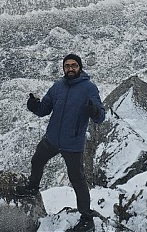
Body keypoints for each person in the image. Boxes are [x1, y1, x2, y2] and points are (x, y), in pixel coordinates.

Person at [15, 54, 106, 232]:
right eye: (67, 66)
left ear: (79, 67)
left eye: (73, 65)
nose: (70, 68)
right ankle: (32, 188)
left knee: (77, 180)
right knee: (37, 161)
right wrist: (34, 106)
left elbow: (100, 116)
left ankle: (87, 218)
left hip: (73, 143)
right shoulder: (58, 87)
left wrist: (94, 111)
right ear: (63, 68)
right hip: (52, 139)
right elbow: (44, 109)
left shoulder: (89, 88)